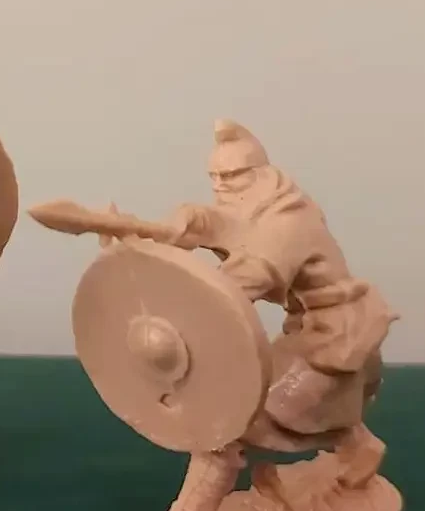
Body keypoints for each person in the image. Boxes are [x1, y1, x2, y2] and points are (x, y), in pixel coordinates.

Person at [169, 120, 399, 490]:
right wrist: (187, 223)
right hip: (314, 331)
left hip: (334, 338)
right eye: (214, 177)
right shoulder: (272, 204)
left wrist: (172, 294)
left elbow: (245, 278)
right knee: (306, 407)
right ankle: (360, 447)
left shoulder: (286, 222)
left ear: (262, 175)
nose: (220, 186)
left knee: (235, 419)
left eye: (231, 177)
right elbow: (228, 223)